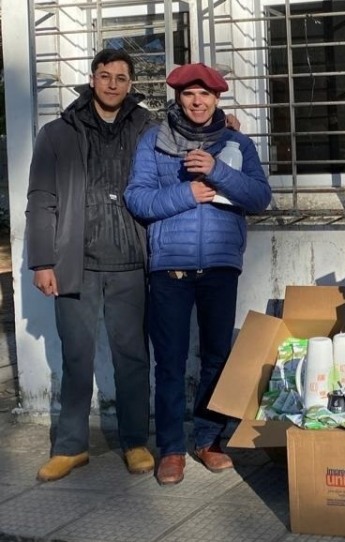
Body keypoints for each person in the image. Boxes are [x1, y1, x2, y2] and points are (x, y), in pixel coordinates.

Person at [124, 63, 271, 485]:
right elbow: (138, 199)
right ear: (178, 97)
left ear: (217, 99)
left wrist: (217, 171)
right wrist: (187, 193)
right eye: (189, 94)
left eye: (205, 94)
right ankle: (171, 448)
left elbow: (260, 197)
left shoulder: (238, 143)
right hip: (170, 266)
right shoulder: (155, 140)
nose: (198, 101)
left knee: (216, 358)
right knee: (169, 362)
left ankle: (208, 439)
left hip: (221, 266)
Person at [26, 49, 156, 482]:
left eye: (121, 77)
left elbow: (194, 132)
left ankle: (136, 441)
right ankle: (71, 448)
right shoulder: (58, 133)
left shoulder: (148, 128)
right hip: (74, 264)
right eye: (105, 76)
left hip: (131, 263)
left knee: (132, 357)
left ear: (131, 83)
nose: (113, 84)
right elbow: (41, 200)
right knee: (77, 357)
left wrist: (225, 125)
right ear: (92, 79)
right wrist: (43, 262)